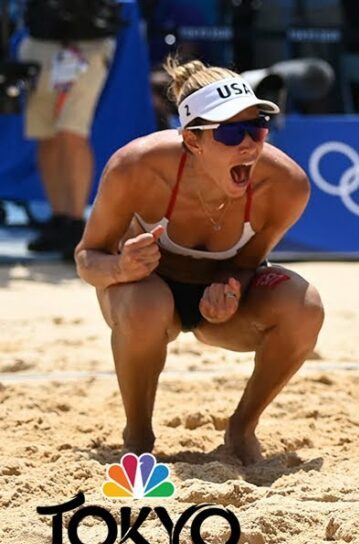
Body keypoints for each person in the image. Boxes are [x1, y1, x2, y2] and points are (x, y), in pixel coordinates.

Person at [74, 56, 325, 465]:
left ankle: (242, 428)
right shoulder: (136, 167)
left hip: (219, 305)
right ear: (193, 140)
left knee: (305, 306)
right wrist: (120, 267)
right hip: (146, 290)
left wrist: (231, 289)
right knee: (145, 305)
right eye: (230, 132)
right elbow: (87, 258)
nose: (249, 144)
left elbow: (248, 262)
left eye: (256, 127)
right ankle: (138, 433)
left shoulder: (286, 184)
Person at [19, 0, 121, 258]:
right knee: (45, 133)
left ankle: (76, 223)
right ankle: (59, 218)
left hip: (87, 41)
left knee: (72, 131)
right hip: (40, 36)